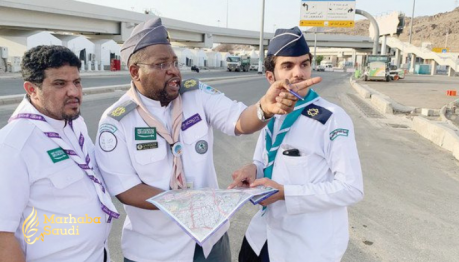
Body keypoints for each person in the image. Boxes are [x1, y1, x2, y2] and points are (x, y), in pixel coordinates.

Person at [94, 18, 321, 262]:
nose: (173, 70)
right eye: (161, 64)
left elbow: (239, 121)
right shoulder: (116, 122)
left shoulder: (196, 95)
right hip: (155, 250)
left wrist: (264, 109)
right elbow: (126, 189)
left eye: (174, 62)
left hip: (211, 244)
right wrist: (183, 204)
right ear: (135, 72)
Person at [229, 27, 364, 262]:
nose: (299, 73)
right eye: (288, 66)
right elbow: (264, 160)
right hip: (260, 237)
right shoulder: (273, 114)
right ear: (271, 77)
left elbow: (351, 188)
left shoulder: (332, 117)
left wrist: (285, 194)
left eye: (304, 64)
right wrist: (253, 169)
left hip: (304, 247)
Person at [0, 45, 119, 262]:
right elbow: (2, 238)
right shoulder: (13, 146)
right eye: (59, 84)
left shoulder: (75, 124)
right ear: (31, 89)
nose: (73, 92)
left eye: (77, 82)